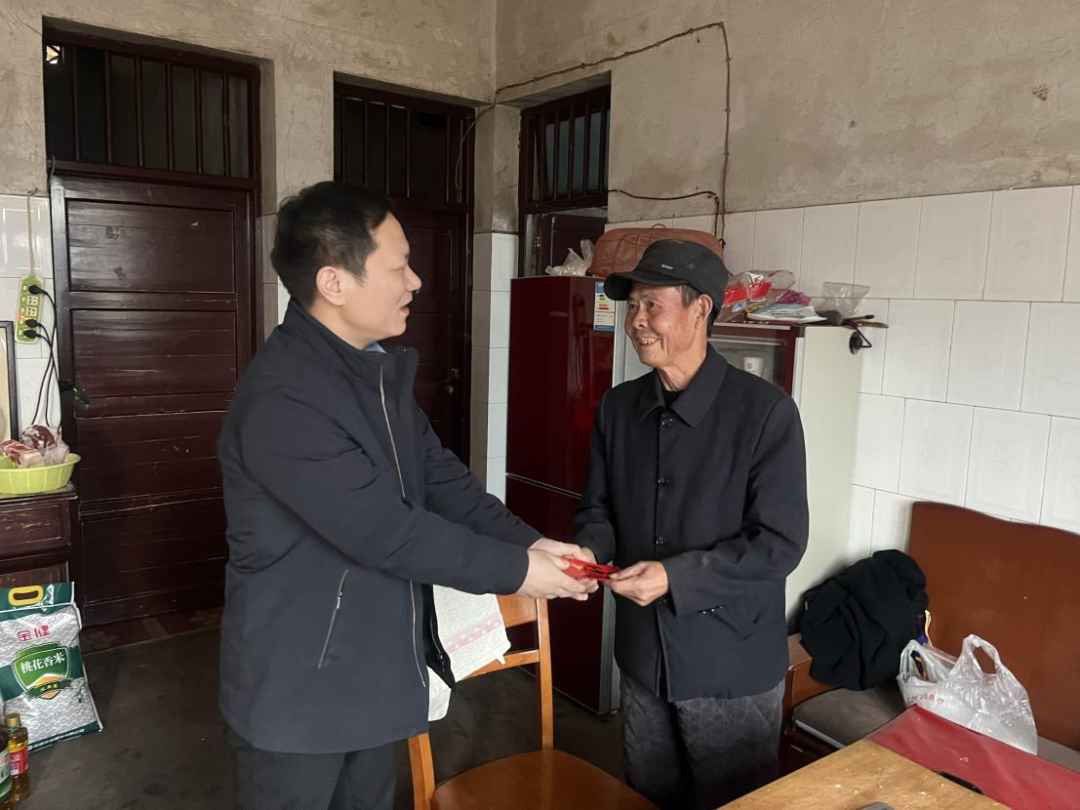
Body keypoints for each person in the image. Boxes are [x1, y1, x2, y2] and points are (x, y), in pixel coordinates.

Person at [216, 181, 594, 810]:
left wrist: (532, 543)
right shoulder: (285, 399)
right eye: (399, 267)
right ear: (335, 283)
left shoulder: (373, 372)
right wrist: (520, 572)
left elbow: (441, 479)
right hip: (299, 684)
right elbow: (387, 532)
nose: (415, 282)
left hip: (372, 667)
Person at [573, 239, 809, 809]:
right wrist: (586, 552)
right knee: (648, 794)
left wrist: (674, 578)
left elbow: (779, 544)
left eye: (652, 305)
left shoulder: (765, 413)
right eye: (633, 307)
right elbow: (598, 509)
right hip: (642, 657)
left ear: (701, 309)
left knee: (732, 800)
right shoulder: (618, 408)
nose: (637, 321)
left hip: (728, 664)